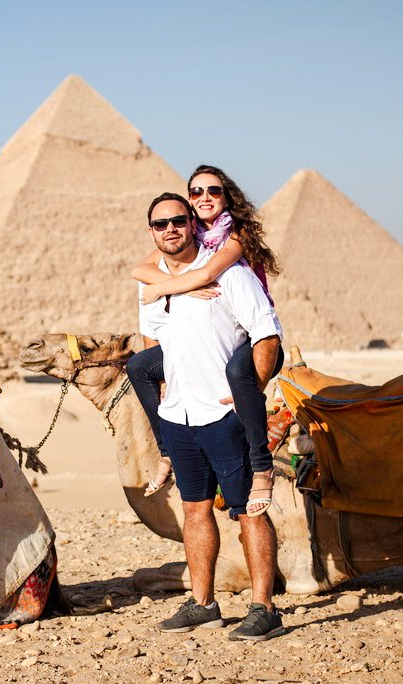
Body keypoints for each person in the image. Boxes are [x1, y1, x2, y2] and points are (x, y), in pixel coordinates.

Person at [137, 192, 284, 641]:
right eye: (160, 224)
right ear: (151, 231)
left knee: (249, 511)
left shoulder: (233, 275)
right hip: (178, 414)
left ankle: (264, 608)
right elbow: (150, 343)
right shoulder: (151, 284)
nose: (170, 230)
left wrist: (249, 395)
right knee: (194, 509)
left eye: (178, 221)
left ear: (193, 224)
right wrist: (163, 394)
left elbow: (266, 336)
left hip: (222, 414)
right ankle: (203, 603)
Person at [127, 165, 282, 517]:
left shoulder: (235, 235)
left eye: (213, 191)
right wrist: (179, 285)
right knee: (138, 365)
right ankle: (165, 450)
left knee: (238, 376)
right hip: (198, 337)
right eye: (196, 192)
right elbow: (141, 270)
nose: (204, 198)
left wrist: (179, 286)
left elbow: (209, 273)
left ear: (227, 196)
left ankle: (262, 466)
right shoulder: (187, 234)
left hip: (252, 338)